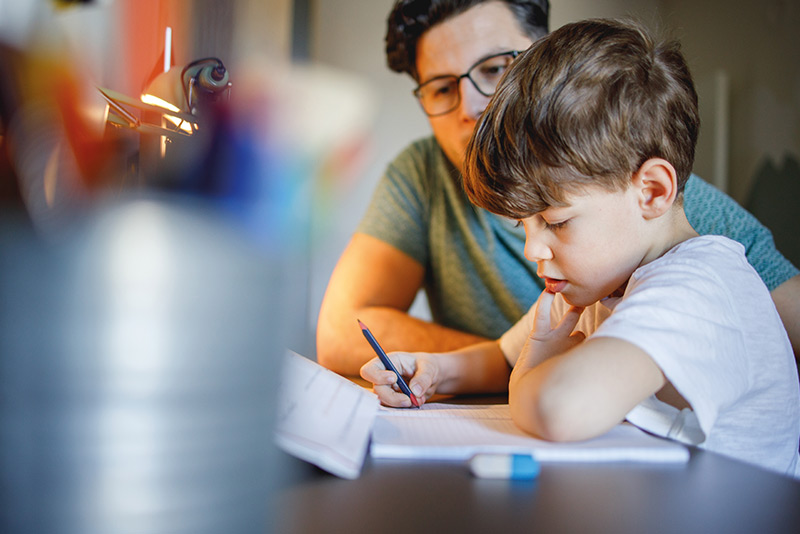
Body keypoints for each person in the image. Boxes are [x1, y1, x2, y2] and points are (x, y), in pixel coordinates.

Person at [362, 18, 800, 477]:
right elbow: (506, 354)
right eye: (523, 224)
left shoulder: (696, 289)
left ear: (651, 191)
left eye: (556, 222)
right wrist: (432, 371)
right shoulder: (604, 278)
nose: (535, 249)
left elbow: (558, 408)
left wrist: (535, 368)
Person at [316, 0, 800, 376]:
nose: (471, 106)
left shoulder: (660, 214)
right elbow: (340, 332)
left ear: (542, 57)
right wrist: (495, 362)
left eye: (493, 69)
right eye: (442, 88)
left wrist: (541, 372)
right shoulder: (421, 174)